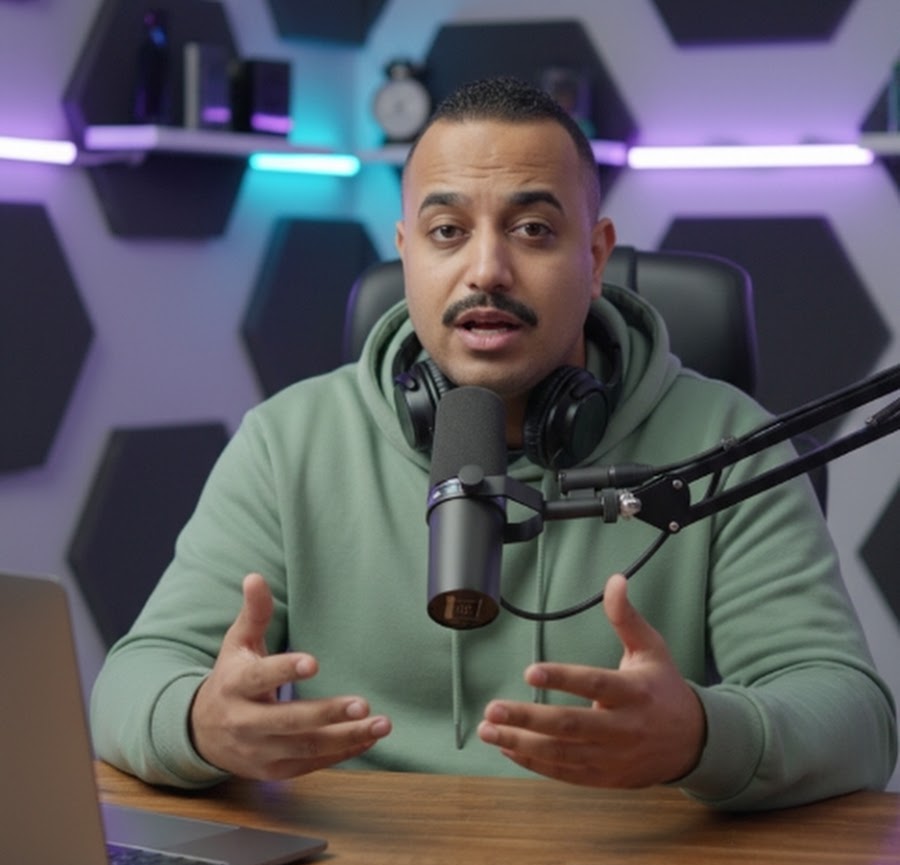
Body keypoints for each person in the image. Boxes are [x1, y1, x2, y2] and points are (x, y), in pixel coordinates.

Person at [91, 76, 896, 811]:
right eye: (447, 231)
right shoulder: (289, 443)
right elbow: (131, 680)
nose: (486, 270)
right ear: (406, 253)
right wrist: (200, 721)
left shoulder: (728, 443)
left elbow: (854, 719)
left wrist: (700, 736)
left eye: (533, 229)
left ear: (596, 256)